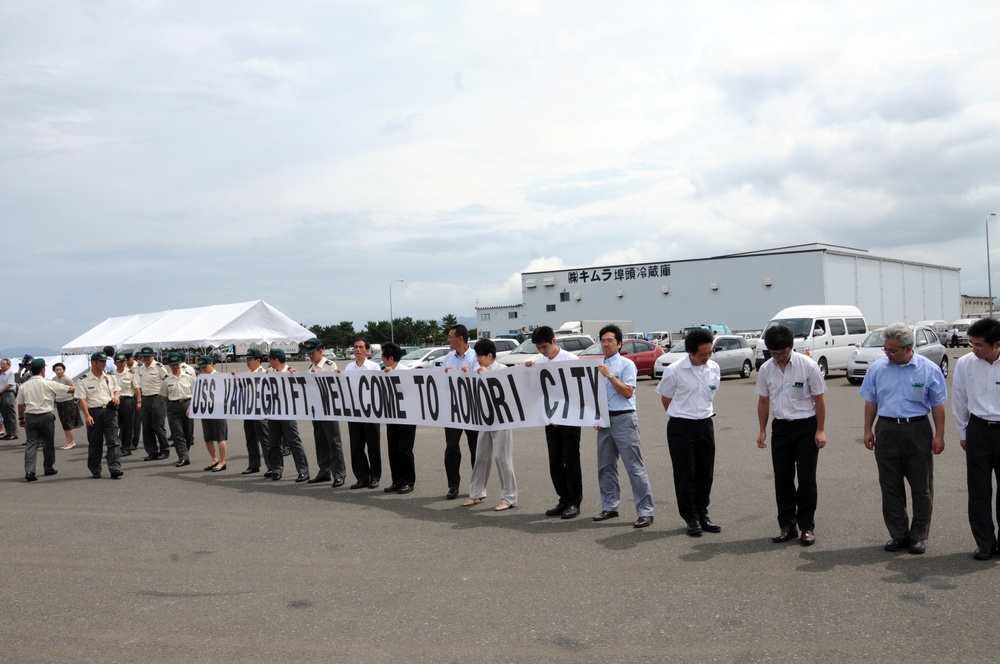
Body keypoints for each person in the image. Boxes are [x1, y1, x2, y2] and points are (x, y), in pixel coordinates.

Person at [860, 322, 947, 555]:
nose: (887, 354)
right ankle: (898, 534)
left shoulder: (928, 370)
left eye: (892, 350)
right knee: (890, 486)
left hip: (917, 430)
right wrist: (868, 429)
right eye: (885, 350)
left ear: (908, 348)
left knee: (921, 487)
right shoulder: (878, 369)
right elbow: (871, 401)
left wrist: (939, 435)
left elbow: (938, 406)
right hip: (887, 430)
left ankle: (918, 535)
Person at [755, 324, 827, 546]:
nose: (779, 358)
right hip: (781, 429)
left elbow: (819, 399)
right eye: (774, 354)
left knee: (806, 480)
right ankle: (788, 525)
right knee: (783, 479)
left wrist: (820, 429)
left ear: (791, 347)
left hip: (806, 427)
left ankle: (807, 526)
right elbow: (764, 401)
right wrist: (762, 430)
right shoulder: (766, 369)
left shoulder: (808, 366)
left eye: (783, 353)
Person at [655, 328, 722, 537]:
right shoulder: (674, 370)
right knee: (686, 474)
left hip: (705, 425)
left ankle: (703, 513)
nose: (707, 357)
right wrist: (680, 414)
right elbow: (665, 398)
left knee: (706, 473)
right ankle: (690, 517)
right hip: (681, 427)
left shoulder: (713, 368)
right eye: (703, 354)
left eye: (710, 352)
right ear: (691, 353)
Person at [592, 325, 654, 528]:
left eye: (610, 340)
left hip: (624, 419)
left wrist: (610, 375)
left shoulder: (626, 365)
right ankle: (610, 506)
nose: (606, 344)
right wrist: (595, 416)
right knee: (605, 466)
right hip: (605, 421)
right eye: (603, 340)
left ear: (619, 344)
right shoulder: (596, 365)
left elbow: (628, 393)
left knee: (634, 467)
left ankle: (645, 511)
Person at [951, 317, 1000, 560]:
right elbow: (959, 399)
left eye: (979, 345)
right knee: (979, 490)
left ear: (997, 345)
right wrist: (963, 433)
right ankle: (985, 543)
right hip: (978, 429)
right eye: (972, 343)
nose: (974, 349)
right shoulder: (966, 364)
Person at [526, 326, 582, 519]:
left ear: (554, 341)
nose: (542, 351)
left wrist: (562, 414)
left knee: (571, 460)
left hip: (570, 418)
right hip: (550, 419)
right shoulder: (539, 362)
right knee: (555, 461)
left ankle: (575, 501)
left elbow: (577, 393)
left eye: (544, 347)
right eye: (538, 348)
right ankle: (563, 498)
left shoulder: (570, 360)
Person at [463, 338, 518, 511]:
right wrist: (464, 374)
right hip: (484, 420)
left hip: (502, 420)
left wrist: (484, 374)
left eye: (480, 355)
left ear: (490, 355)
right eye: (476, 355)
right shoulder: (476, 370)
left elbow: (504, 393)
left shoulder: (502, 370)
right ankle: (476, 492)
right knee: (480, 457)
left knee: (502, 459)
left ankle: (509, 497)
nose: (478, 359)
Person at [16, 358, 74, 481]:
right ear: (43, 369)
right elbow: (70, 389)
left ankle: (30, 471)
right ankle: (48, 467)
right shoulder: (48, 383)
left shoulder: (24, 386)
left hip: (30, 416)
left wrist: (21, 417)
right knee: (48, 443)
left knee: (31, 443)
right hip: (45, 415)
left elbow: (20, 405)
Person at [440, 324, 479, 500]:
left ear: (460, 339)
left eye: (450, 336)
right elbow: (439, 380)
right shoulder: (448, 357)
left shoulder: (474, 357)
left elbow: (480, 376)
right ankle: (453, 486)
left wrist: (468, 373)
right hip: (453, 410)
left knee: (476, 450)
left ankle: (477, 487)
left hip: (472, 410)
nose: (448, 340)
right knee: (452, 448)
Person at [302, 338, 346, 487]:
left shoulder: (329, 365)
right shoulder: (310, 367)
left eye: (312, 353)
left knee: (333, 442)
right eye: (308, 353)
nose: (310, 356)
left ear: (321, 350)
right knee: (320, 441)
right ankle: (324, 470)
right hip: (316, 410)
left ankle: (339, 473)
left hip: (329, 410)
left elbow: (335, 387)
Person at [75, 351, 124, 479]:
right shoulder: (84, 380)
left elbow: (117, 388)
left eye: (104, 362)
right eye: (101, 362)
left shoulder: (109, 376)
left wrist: (116, 396)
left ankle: (115, 468)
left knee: (113, 441)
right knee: (95, 442)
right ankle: (95, 469)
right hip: (94, 412)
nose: (103, 364)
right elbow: (82, 399)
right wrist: (87, 415)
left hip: (109, 411)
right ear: (93, 362)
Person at [265, 348, 310, 482]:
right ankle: (276, 469)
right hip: (274, 412)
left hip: (288, 412)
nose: (269, 362)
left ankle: (303, 471)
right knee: (274, 442)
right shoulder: (270, 372)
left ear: (276, 360)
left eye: (270, 359)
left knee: (294, 441)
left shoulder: (291, 373)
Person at [344, 338, 382, 489]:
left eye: (361, 347)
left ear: (367, 350)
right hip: (354, 412)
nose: (358, 350)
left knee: (373, 446)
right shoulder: (349, 367)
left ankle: (375, 476)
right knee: (356, 447)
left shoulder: (374, 366)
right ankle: (361, 477)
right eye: (355, 347)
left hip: (371, 411)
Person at [381, 342, 416, 494]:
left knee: (405, 450)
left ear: (390, 358)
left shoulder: (406, 372)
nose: (381, 359)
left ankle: (408, 481)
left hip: (407, 417)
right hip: (392, 415)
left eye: (383, 356)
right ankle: (397, 480)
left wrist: (394, 376)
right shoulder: (383, 372)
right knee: (393, 450)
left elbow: (412, 392)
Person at [233, 348, 269, 475]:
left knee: (264, 439)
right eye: (246, 359)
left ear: (258, 360)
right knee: (250, 439)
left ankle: (271, 466)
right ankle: (254, 465)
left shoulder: (265, 373)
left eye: (250, 359)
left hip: (260, 411)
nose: (247, 361)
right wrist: (235, 377)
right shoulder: (247, 374)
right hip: (248, 410)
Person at [161, 351, 196, 468]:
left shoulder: (188, 377)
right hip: (173, 406)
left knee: (188, 434)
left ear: (180, 364)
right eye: (173, 365)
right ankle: (183, 457)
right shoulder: (166, 380)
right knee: (177, 434)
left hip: (187, 404)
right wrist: (172, 405)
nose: (175, 366)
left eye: (177, 364)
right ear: (169, 366)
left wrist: (191, 406)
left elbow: (195, 393)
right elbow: (165, 396)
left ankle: (185, 452)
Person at [137, 346, 171, 460]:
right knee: (146, 427)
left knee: (158, 426)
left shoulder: (158, 367)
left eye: (148, 356)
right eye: (144, 357)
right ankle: (152, 452)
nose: (146, 359)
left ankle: (164, 450)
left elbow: (167, 381)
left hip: (157, 397)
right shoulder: (140, 368)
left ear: (153, 356)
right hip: (145, 398)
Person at [196, 356, 228, 472]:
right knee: (208, 437)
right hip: (206, 410)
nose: (204, 369)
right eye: (201, 367)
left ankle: (222, 461)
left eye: (205, 366)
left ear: (211, 364)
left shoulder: (219, 376)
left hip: (218, 410)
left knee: (220, 437)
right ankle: (214, 459)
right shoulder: (201, 377)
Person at [113, 352, 140, 457]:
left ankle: (126, 448)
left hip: (128, 400)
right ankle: (115, 448)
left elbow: (136, 389)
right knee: (115, 426)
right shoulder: (111, 374)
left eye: (123, 361)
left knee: (128, 426)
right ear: (115, 363)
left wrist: (139, 401)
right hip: (115, 401)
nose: (121, 364)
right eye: (119, 362)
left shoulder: (131, 373)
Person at [52, 362, 82, 449]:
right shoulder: (54, 379)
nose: (58, 371)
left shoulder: (67, 379)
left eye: (60, 369)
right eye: (56, 370)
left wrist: (75, 399)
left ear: (63, 370)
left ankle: (72, 441)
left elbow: (75, 388)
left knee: (69, 422)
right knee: (64, 422)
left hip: (68, 401)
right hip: (59, 401)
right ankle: (68, 441)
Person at [124, 350, 142, 450]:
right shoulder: (123, 367)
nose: (126, 361)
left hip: (138, 393)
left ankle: (135, 441)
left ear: (133, 357)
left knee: (137, 419)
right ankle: (127, 441)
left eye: (128, 359)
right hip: (128, 394)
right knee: (127, 420)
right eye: (125, 360)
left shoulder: (140, 366)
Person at [0, 358, 19, 441]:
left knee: (10, 414)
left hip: (8, 393)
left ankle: (14, 433)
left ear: (9, 365)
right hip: (2, 394)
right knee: (4, 414)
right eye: (1, 364)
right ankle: (8, 432)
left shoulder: (10, 373)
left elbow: (9, 384)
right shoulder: (1, 374)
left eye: (3, 364)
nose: (2, 365)